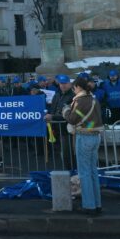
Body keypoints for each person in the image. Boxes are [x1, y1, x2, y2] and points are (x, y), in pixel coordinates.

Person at [63, 76, 103, 215]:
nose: (73, 90)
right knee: (93, 172)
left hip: (84, 137)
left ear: (78, 87)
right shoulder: (93, 99)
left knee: (84, 173)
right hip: (95, 136)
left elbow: (73, 119)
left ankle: (89, 206)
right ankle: (97, 204)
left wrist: (66, 111)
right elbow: (93, 119)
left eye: (74, 88)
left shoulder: (79, 101)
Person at [45, 74, 75, 169]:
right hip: (57, 129)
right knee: (61, 152)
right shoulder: (57, 95)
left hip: (67, 130)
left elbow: (68, 115)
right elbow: (53, 109)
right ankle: (67, 171)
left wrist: (52, 117)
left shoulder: (73, 96)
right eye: (61, 83)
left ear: (70, 84)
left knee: (68, 153)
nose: (63, 85)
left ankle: (71, 172)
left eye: (65, 83)